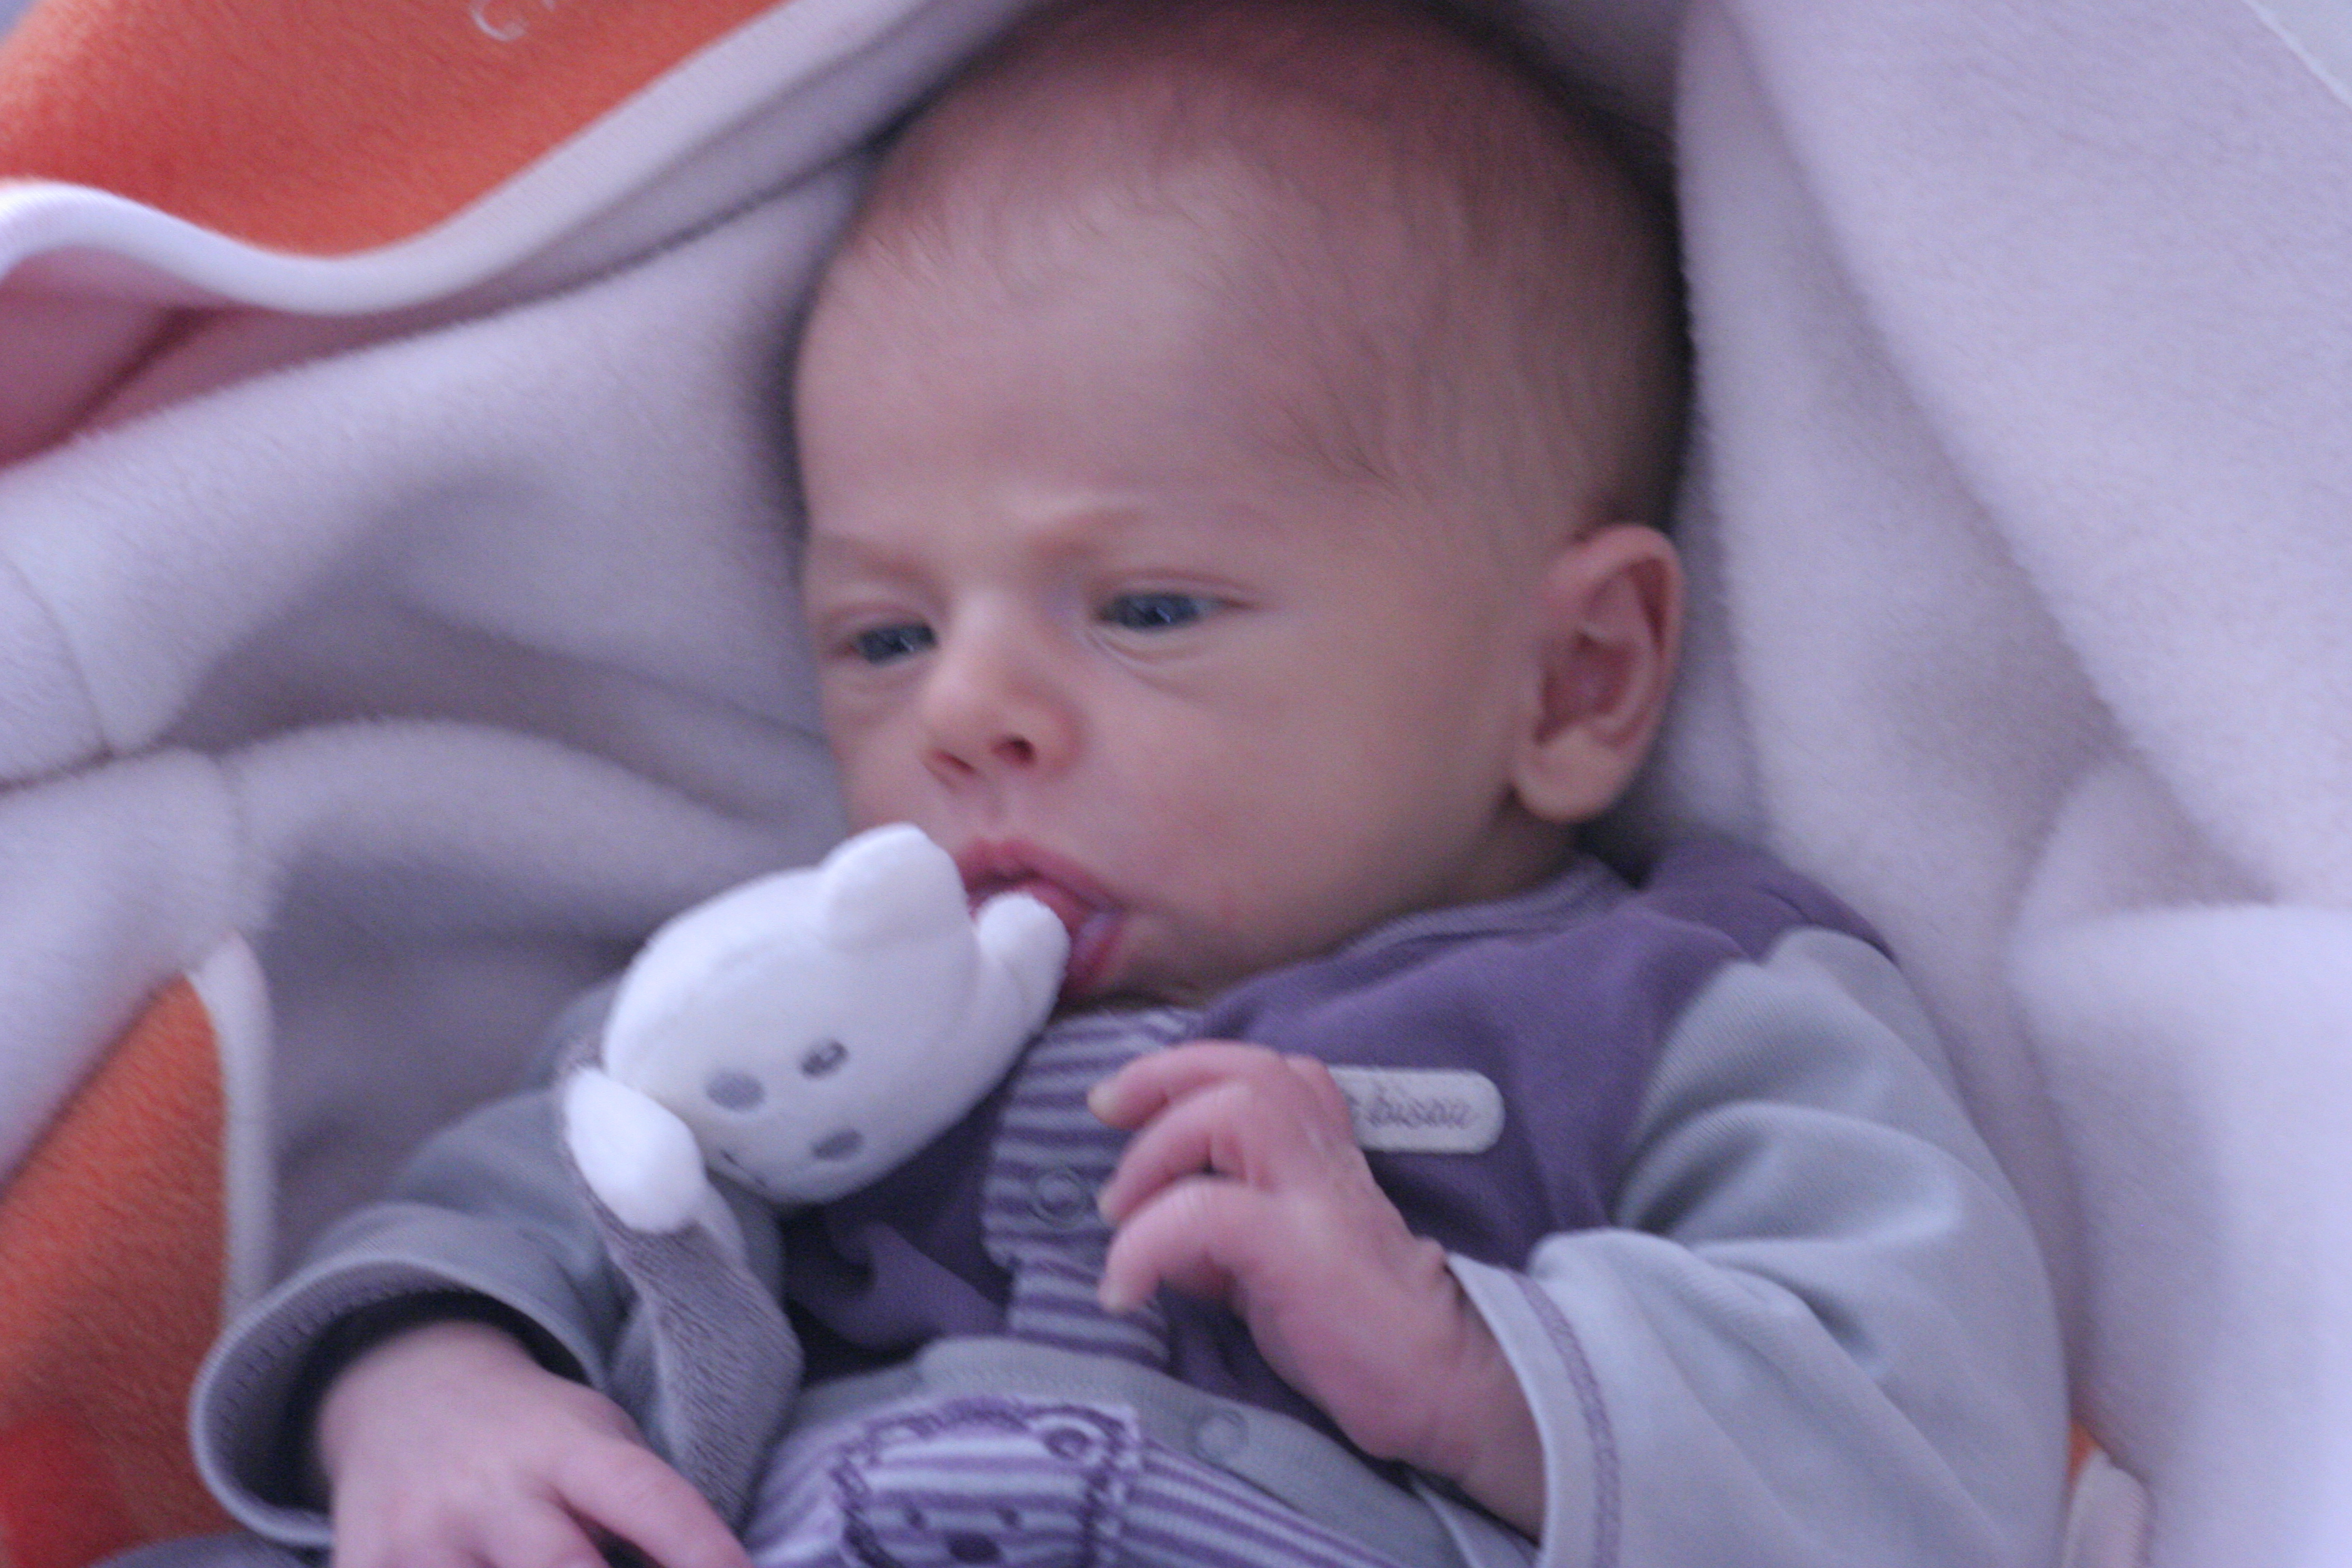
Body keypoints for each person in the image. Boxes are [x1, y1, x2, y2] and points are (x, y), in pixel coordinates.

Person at [183, 1, 2068, 1565]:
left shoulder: (1672, 1011)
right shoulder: (777, 1015)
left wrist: (1475, 1367)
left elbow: (1923, 1436)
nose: (964, 715)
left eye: (1149, 608)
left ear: (1572, 679)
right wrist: (429, 1397)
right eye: (884, 638)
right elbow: (504, 1212)